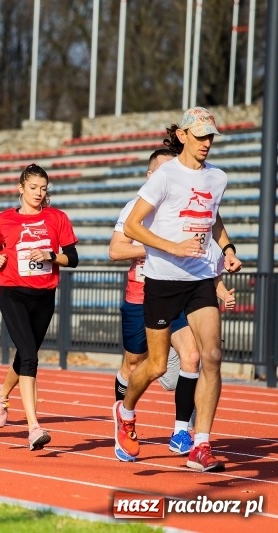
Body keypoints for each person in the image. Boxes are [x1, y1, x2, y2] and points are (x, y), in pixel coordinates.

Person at [118, 107, 241, 472]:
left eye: (211, 137)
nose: (207, 143)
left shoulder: (217, 178)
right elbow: (133, 227)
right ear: (184, 135)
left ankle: (199, 445)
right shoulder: (165, 176)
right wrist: (171, 247)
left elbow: (213, 217)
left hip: (200, 279)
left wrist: (229, 249)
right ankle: (125, 412)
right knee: (155, 365)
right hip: (163, 280)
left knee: (212, 356)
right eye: (200, 136)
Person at [0, 164, 79, 451]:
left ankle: (2, 393)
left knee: (28, 353)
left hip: (44, 295)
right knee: (30, 359)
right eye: (33, 187)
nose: (38, 193)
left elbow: (72, 258)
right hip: (13, 293)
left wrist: (50, 255)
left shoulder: (57, 218)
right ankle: (34, 427)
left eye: (43, 188)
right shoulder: (4, 219)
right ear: (21, 188)